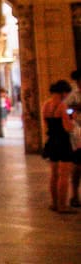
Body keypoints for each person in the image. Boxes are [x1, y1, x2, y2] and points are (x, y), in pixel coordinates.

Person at [42, 79, 75, 213]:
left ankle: (54, 203)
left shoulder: (46, 105)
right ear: (63, 92)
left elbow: (46, 124)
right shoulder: (62, 106)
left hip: (52, 141)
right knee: (64, 175)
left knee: (54, 174)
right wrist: (72, 119)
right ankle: (63, 205)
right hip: (63, 142)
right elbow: (68, 127)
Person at [66, 70, 81, 208]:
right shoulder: (72, 94)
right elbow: (66, 110)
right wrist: (74, 109)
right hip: (78, 133)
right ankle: (74, 195)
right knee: (77, 166)